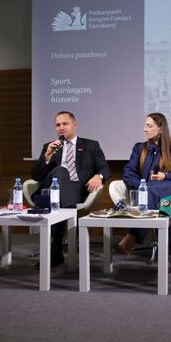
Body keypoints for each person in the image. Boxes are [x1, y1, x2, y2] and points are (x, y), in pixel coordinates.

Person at [32, 111, 111, 266]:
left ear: (75, 124)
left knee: (59, 200)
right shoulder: (50, 147)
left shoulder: (91, 145)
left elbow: (105, 169)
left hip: (78, 189)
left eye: (65, 124)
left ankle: (55, 251)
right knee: (60, 171)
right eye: (57, 125)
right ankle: (69, 222)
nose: (61, 127)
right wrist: (47, 157)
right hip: (52, 188)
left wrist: (98, 176)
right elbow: (36, 176)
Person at [115, 113, 171, 254]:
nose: (145, 129)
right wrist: (142, 186)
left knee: (153, 190)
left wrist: (165, 176)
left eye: (149, 126)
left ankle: (131, 238)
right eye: (145, 125)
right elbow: (128, 172)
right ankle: (166, 247)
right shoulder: (139, 148)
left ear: (160, 128)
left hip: (169, 187)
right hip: (147, 190)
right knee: (149, 190)